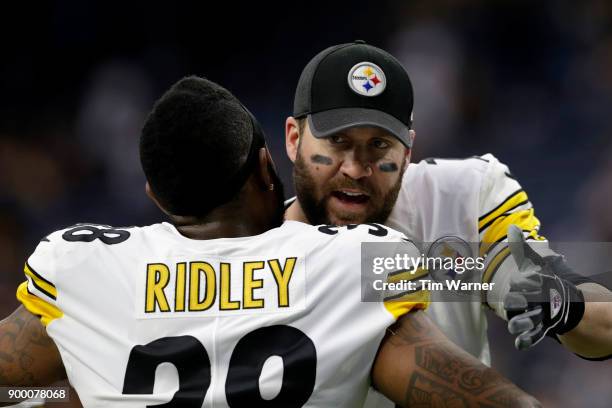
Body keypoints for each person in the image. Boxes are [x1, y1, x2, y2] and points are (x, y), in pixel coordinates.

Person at [0, 76, 539, 407]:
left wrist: (63, 395)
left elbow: (16, 387)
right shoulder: (344, 263)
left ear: (156, 197)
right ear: (266, 166)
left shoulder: (88, 269)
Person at [283, 41, 612, 406]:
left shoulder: (462, 197)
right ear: (294, 140)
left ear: (407, 152)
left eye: (378, 146)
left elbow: (604, 325)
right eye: (337, 142)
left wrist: (565, 304)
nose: (356, 168)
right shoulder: (247, 242)